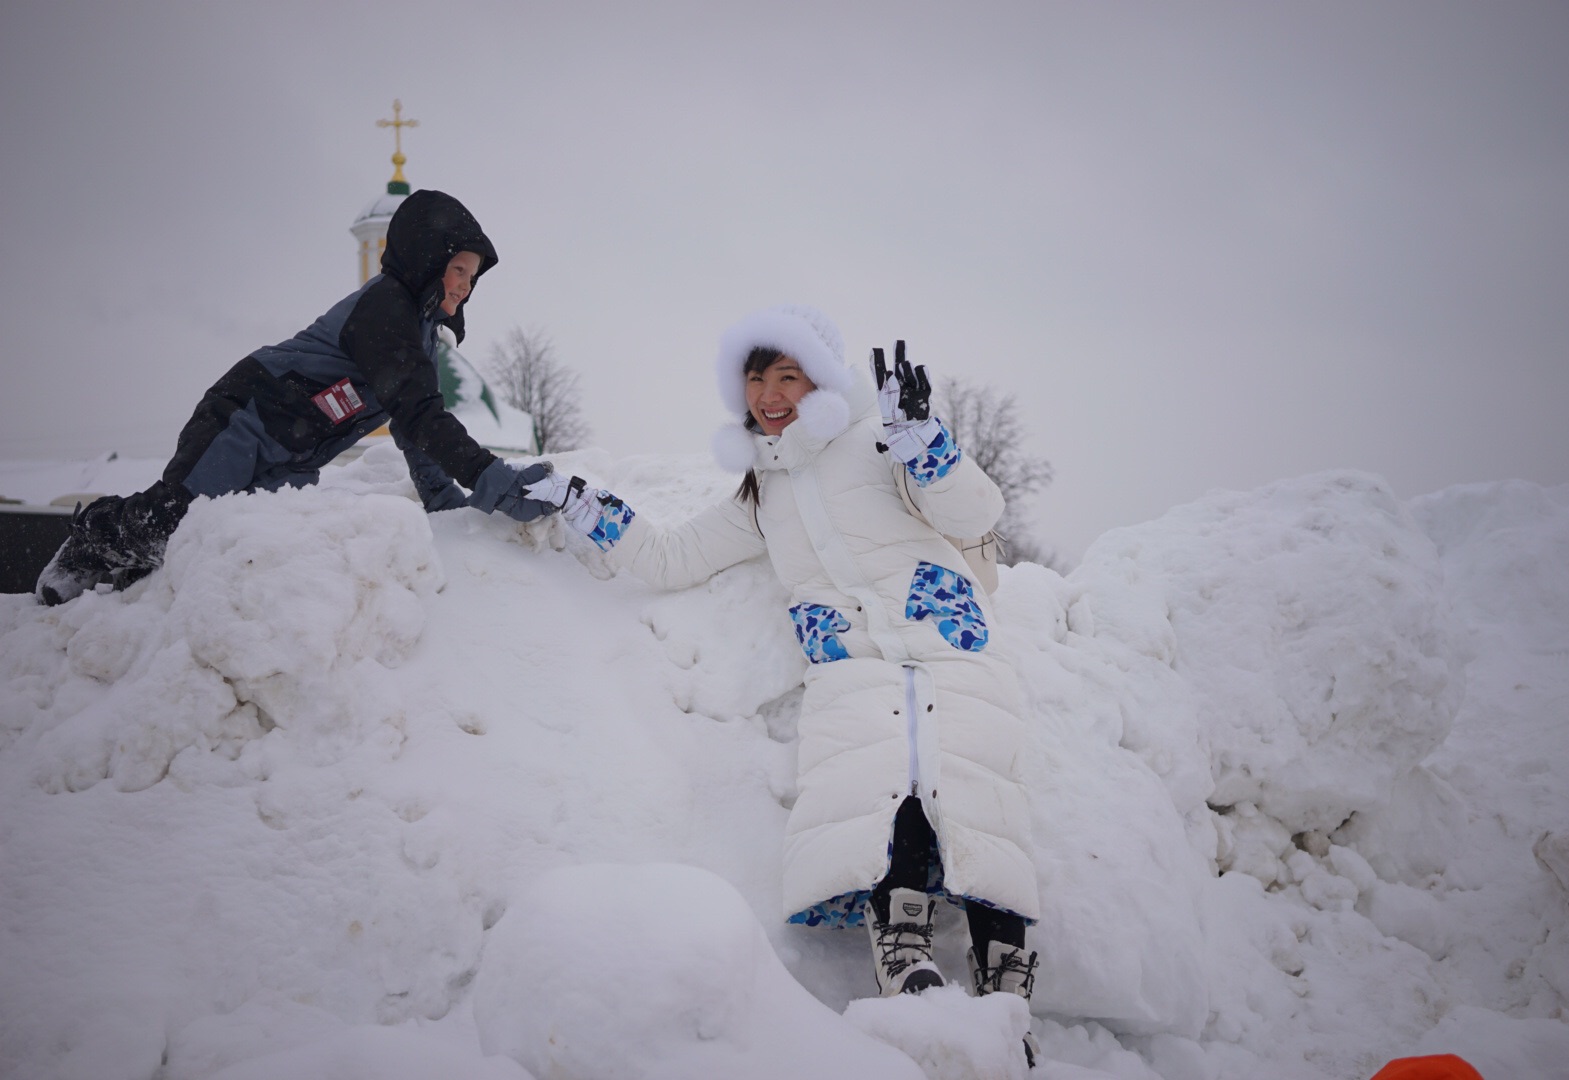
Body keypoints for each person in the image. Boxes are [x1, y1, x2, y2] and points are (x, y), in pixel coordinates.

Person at [530, 304, 1041, 1054]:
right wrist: (590, 510)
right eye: (756, 378)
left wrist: (926, 444)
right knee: (874, 793)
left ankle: (1006, 976)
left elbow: (978, 508)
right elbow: (673, 557)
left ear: (820, 380)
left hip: (949, 639)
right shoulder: (760, 494)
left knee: (979, 793)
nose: (769, 395)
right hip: (852, 667)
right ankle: (905, 952)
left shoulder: (880, 439)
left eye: (788, 376)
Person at [35, 189, 555, 605]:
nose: (465, 285)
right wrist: (494, 481)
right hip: (246, 418)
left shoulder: (417, 332)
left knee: (221, 551)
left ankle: (122, 595)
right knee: (179, 519)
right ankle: (89, 543)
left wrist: (445, 505)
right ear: (425, 260)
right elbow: (421, 416)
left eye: (472, 274)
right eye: (457, 269)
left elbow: (412, 424)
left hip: (292, 455)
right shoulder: (385, 309)